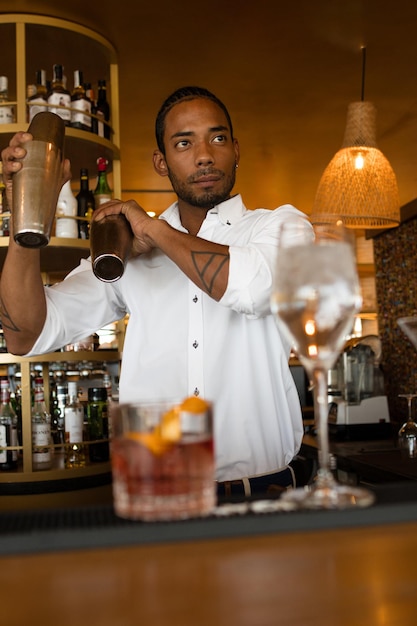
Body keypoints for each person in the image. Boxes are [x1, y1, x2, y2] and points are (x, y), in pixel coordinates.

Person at [0, 86, 313, 498]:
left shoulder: (282, 227)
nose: (204, 155)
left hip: (263, 500)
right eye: (184, 143)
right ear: (161, 162)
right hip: (158, 496)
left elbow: (251, 288)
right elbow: (26, 335)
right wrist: (25, 217)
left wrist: (153, 229)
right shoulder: (126, 254)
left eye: (217, 139)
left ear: (236, 150)